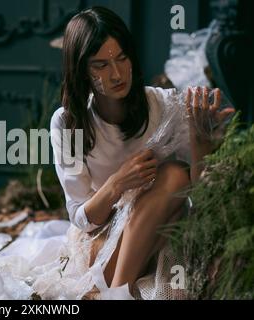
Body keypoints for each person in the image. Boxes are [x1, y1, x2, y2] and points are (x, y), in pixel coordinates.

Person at [50, 6, 235, 298]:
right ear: (82, 71)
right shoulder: (68, 122)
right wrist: (117, 184)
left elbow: (203, 198)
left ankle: (117, 293)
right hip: (103, 246)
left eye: (122, 59)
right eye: (100, 65)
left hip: (159, 239)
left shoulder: (161, 107)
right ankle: (119, 290)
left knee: (175, 175)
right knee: (171, 177)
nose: (116, 74)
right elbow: (81, 216)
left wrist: (202, 142)